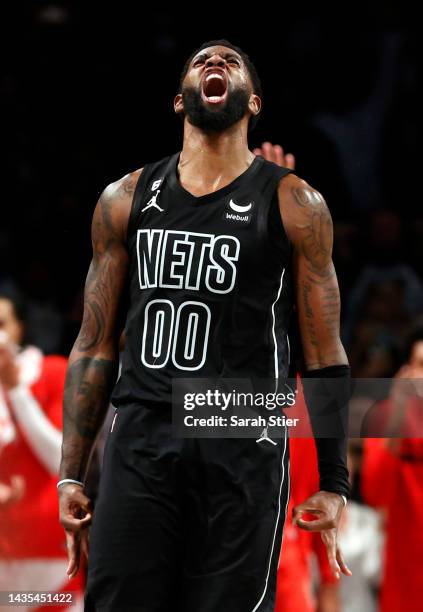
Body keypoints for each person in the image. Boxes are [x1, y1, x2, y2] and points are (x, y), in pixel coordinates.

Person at [58, 40, 351, 611]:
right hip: (143, 429)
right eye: (201, 61)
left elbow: (323, 350)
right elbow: (93, 344)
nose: (215, 64)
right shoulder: (124, 198)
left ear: (255, 103)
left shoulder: (296, 203)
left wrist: (335, 480)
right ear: (177, 101)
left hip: (242, 431)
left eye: (231, 61)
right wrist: (71, 473)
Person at [0, 290, 84, 611]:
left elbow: (61, 460)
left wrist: (16, 390)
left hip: (50, 554)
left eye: (1, 323)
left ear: (19, 328)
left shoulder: (51, 371)